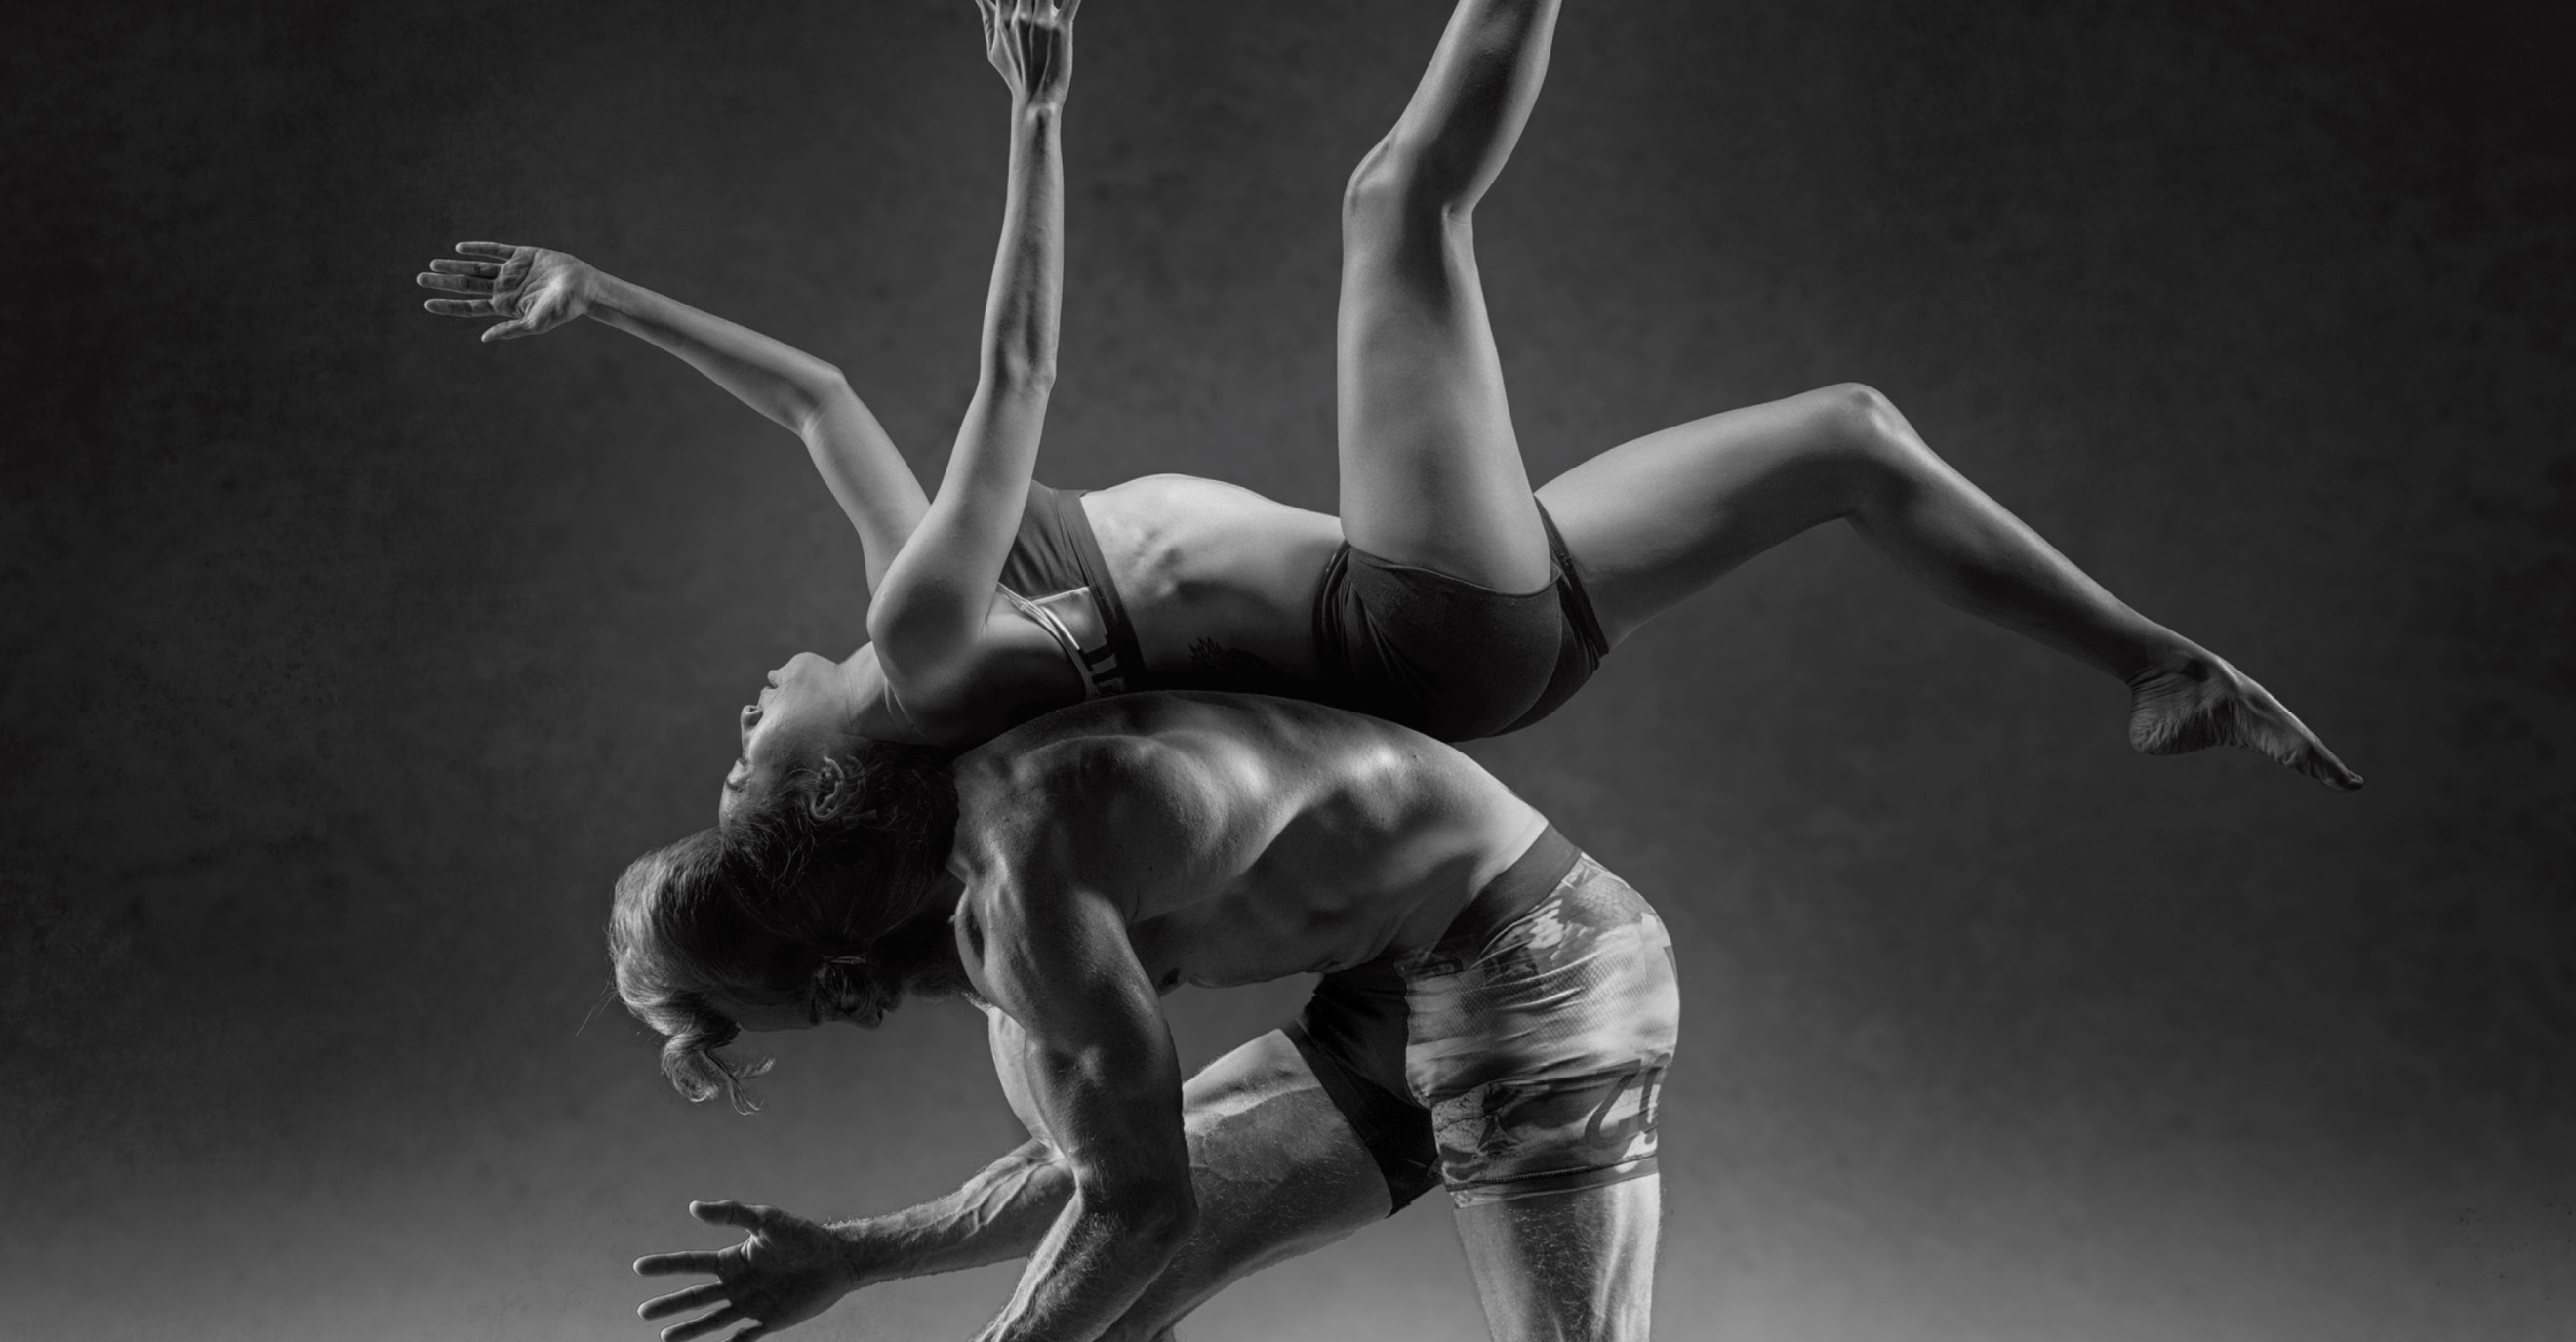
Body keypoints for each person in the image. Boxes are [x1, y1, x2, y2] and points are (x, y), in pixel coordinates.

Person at [420, 0, 2361, 796]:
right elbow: (1013, 365)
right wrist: (1037, 113)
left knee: (1847, 432)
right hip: (1415, 621)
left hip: (1462, 632)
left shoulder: (917, 605)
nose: (737, 713)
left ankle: (2158, 666)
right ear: (823, 768)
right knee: (1395, 200)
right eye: (743, 755)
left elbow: (819, 399)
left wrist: (602, 296)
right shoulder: (923, 651)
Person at [611, 689, 1682, 1342]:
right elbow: (1097, 1181)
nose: (861, 1020)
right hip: (1388, 993)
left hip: (1544, 951)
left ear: (840, 952)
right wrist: (856, 1255)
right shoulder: (960, 862)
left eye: (832, 1000)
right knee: (1110, 1311)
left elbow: (1142, 1206)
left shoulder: (1024, 889)